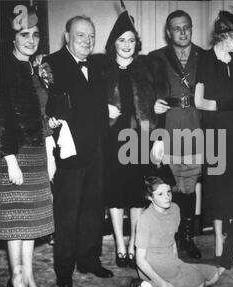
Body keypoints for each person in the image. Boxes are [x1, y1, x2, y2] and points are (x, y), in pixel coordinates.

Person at [44, 15, 113, 287]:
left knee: (93, 208)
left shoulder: (96, 65)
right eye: (81, 35)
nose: (87, 41)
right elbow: (48, 106)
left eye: (91, 36)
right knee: (67, 211)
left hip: (96, 149)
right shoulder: (51, 64)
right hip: (69, 150)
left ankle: (89, 260)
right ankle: (64, 269)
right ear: (67, 36)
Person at [104, 6, 168, 268]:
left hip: (142, 137)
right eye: (121, 40)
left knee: (137, 193)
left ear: (137, 43)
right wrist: (102, 108)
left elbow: (161, 106)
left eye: (131, 39)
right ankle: (120, 243)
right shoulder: (102, 68)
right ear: (113, 43)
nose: (127, 44)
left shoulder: (150, 66)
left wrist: (160, 140)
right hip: (111, 139)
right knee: (116, 193)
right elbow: (87, 101)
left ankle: (134, 244)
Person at [0, 8, 54, 287]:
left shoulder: (35, 68)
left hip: (37, 154)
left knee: (33, 220)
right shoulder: (3, 67)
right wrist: (10, 161)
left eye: (35, 34)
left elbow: (43, 115)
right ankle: (15, 279)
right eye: (24, 35)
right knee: (16, 223)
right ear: (13, 37)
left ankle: (30, 275)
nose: (31, 40)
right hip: (15, 155)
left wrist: (51, 153)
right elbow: (1, 117)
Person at [194, 10, 233, 271]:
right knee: (217, 187)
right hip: (214, 130)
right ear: (226, 34)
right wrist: (228, 104)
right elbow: (199, 102)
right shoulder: (205, 59)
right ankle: (218, 241)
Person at [149, 10, 204, 259]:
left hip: (195, 128)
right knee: (169, 188)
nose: (182, 32)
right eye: (177, 28)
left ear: (191, 29)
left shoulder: (205, 56)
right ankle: (168, 239)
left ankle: (187, 237)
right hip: (168, 128)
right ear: (168, 32)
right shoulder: (155, 58)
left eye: (186, 27)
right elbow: (145, 94)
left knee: (189, 188)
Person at [129, 176, 220, 287]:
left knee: (214, 275)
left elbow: (172, 240)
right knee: (200, 285)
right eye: (160, 194)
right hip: (152, 262)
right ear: (150, 197)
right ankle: (150, 286)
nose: (167, 197)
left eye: (168, 192)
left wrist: (178, 263)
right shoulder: (145, 219)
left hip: (169, 258)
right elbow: (140, 259)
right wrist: (163, 283)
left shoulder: (175, 208)